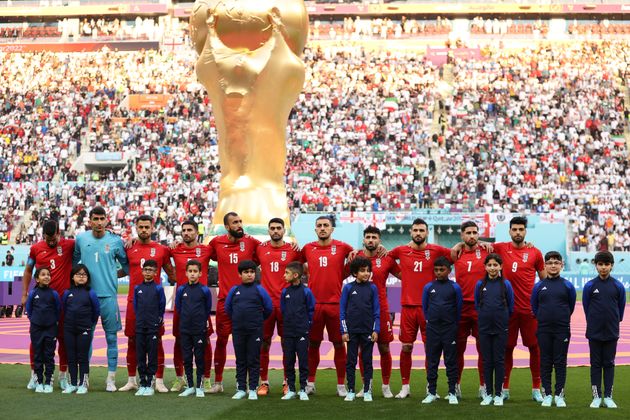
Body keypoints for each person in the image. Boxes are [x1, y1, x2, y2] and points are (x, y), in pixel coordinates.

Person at [388, 218, 453, 399]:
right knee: (406, 347)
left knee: (430, 349)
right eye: (415, 230)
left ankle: (429, 388)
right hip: (408, 307)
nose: (418, 233)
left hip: (430, 308)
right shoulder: (401, 250)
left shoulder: (436, 250)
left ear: (427, 232)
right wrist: (401, 274)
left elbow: (456, 254)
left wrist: (478, 243)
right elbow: (385, 257)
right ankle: (405, 387)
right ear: (411, 232)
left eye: (421, 230)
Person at [73, 206, 129, 391]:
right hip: (87, 297)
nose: (98, 222)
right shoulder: (81, 238)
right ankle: (84, 378)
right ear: (89, 220)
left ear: (107, 220)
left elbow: (127, 267)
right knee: (85, 339)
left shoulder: (115, 241)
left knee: (111, 338)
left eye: (101, 218)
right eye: (95, 219)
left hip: (109, 297)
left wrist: (113, 274)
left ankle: (111, 380)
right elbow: (74, 263)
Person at [492, 216, 546, 401]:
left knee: (534, 347)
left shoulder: (535, 252)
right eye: (514, 229)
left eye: (520, 229)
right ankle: (505, 388)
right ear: (509, 231)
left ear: (525, 231)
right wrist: (459, 246)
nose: (517, 232)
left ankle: (536, 389)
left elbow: (545, 279)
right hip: (507, 310)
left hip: (529, 310)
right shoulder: (500, 248)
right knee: (507, 348)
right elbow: (478, 244)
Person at [120, 215, 175, 393]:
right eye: (140, 227)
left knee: (156, 340)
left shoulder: (162, 249)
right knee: (132, 340)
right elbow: (123, 271)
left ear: (153, 228)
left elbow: (172, 274)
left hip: (153, 305)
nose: (144, 230)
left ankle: (158, 380)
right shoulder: (129, 247)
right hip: (133, 302)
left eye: (147, 227)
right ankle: (131, 380)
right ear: (136, 228)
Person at [208, 212, 261, 394]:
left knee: (249, 343)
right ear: (227, 226)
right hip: (224, 302)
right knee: (221, 341)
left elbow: (269, 253)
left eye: (240, 221)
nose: (239, 225)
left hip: (248, 302)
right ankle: (218, 382)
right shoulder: (216, 242)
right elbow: (202, 254)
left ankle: (250, 383)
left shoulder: (251, 242)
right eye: (235, 223)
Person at [302, 215, 353, 396]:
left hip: (335, 305)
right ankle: (310, 383)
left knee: (339, 344)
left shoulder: (343, 247)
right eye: (319, 226)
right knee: (313, 344)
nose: (322, 228)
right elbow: (295, 264)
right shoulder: (307, 248)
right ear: (315, 229)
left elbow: (356, 259)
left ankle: (341, 385)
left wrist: (341, 274)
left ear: (332, 229)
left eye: (326, 225)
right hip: (313, 305)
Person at [21, 220, 75, 390]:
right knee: (36, 341)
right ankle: (34, 376)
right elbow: (29, 270)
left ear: (59, 233)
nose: (52, 242)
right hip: (42, 304)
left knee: (63, 340)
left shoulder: (69, 244)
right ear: (43, 235)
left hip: (63, 303)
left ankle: (63, 376)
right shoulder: (36, 248)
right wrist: (24, 293)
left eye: (54, 238)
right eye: (48, 238)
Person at [255, 217, 304, 396]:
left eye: (278, 228)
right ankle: (264, 382)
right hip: (266, 305)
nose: (275, 231)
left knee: (287, 344)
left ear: (284, 231)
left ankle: (287, 382)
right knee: (264, 343)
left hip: (287, 304)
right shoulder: (260, 248)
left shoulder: (293, 249)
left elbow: (304, 266)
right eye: (272, 228)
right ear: (268, 231)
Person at [352, 226, 400, 398]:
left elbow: (404, 276)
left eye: (374, 237)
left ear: (379, 240)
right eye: (368, 237)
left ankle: (386, 386)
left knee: (384, 347)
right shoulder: (356, 257)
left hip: (382, 310)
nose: (371, 240)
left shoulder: (386, 258)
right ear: (363, 239)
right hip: (360, 312)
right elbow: (339, 274)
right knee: (362, 350)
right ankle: (366, 386)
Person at [170, 219, 214, 392]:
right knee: (179, 340)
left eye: (190, 230)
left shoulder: (206, 250)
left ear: (197, 232)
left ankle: (207, 378)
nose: (186, 233)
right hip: (182, 302)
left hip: (200, 306)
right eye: (184, 230)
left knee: (206, 341)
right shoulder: (174, 249)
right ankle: (180, 378)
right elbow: (161, 260)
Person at [531, 251, 576, 407]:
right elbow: (535, 308)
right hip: (543, 329)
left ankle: (559, 395)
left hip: (562, 330)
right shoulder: (539, 287)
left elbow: (570, 307)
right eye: (549, 263)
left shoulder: (567, 286)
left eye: (556, 263)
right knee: (545, 362)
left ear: (561, 265)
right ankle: (548, 394)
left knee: (560, 362)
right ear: (544, 266)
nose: (553, 265)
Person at [583, 251, 626, 409]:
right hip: (594, 332)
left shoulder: (618, 286)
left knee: (609, 364)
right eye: (600, 264)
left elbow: (620, 311)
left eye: (606, 265)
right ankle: (596, 397)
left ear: (611, 266)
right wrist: (595, 322)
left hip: (611, 332)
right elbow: (587, 309)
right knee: (595, 364)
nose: (603, 268)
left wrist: (613, 322)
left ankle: (608, 396)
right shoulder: (589, 286)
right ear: (596, 266)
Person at [225, 260, 273, 400]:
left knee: (253, 359)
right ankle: (241, 388)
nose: (249, 275)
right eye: (246, 272)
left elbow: (268, 308)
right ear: (240, 274)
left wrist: (257, 320)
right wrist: (238, 320)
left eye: (252, 272)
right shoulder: (234, 290)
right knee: (240, 360)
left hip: (255, 331)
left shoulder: (259, 289)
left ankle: (252, 388)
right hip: (238, 330)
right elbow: (228, 309)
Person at [452, 221, 488, 399]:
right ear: (462, 235)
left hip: (481, 308)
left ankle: (483, 386)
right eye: (468, 233)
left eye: (475, 232)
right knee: (458, 350)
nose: (472, 236)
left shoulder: (488, 251)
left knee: (484, 350)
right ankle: (456, 385)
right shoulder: (455, 253)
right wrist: (456, 246)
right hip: (461, 309)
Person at [421, 257, 462, 405]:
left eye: (442, 270)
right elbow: (425, 308)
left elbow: (458, 308)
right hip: (432, 329)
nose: (438, 272)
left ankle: (452, 392)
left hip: (449, 329)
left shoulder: (455, 287)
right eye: (436, 270)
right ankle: (432, 392)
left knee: (451, 361)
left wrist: (451, 324)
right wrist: (430, 321)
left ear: (449, 271)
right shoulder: (428, 287)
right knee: (432, 361)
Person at [475, 254, 514, 407]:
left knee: (499, 360)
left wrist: (501, 319)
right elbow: (477, 305)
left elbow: (510, 307)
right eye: (489, 265)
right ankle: (488, 394)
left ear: (500, 266)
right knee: (486, 361)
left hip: (500, 328)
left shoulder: (506, 284)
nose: (492, 268)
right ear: (485, 267)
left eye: (495, 265)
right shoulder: (480, 284)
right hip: (484, 328)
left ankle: (499, 394)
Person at [339, 257, 380, 402]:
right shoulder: (348, 288)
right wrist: (344, 331)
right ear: (355, 273)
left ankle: (367, 390)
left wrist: (376, 330)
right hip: (352, 332)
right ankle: (350, 390)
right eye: (362, 271)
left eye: (368, 271)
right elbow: (342, 310)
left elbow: (376, 311)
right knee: (351, 361)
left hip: (368, 331)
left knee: (367, 360)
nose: (366, 273)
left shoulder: (373, 288)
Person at [175, 260, 213, 398]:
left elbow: (207, 308)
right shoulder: (181, 290)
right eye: (190, 271)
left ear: (200, 273)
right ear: (186, 273)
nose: (192, 274)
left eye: (195, 271)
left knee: (199, 358)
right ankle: (190, 386)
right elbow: (179, 308)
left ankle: (200, 387)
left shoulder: (204, 290)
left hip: (199, 330)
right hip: (185, 329)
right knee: (186, 358)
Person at [61, 265, 100, 394]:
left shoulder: (91, 293)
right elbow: (64, 309)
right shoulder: (67, 293)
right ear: (73, 277)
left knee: (82, 357)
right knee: (71, 357)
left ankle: (83, 384)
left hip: (84, 328)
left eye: (84, 274)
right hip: (69, 329)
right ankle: (72, 384)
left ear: (87, 277)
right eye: (78, 274)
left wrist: (88, 324)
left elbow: (96, 311)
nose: (81, 276)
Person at [280, 261, 315, 401]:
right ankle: (291, 389)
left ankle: (302, 389)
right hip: (288, 332)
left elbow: (311, 310)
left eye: (287, 273)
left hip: (302, 332)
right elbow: (283, 310)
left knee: (303, 361)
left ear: (295, 275)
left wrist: (306, 326)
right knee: (288, 361)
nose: (284, 275)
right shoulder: (285, 292)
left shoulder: (306, 291)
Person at [133, 259, 167, 397]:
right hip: (140, 326)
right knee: (140, 355)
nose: (147, 272)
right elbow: (136, 306)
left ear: (155, 273)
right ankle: (142, 383)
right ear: (142, 271)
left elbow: (162, 306)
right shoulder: (137, 288)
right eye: (145, 269)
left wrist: (156, 320)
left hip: (153, 326)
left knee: (152, 355)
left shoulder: (158, 288)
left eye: (150, 270)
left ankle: (150, 383)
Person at [25, 267, 61, 393]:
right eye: (43, 275)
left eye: (48, 275)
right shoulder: (33, 294)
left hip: (51, 329)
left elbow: (58, 310)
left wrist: (51, 322)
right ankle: (39, 382)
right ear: (37, 279)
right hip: (36, 328)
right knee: (37, 355)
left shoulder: (54, 294)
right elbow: (29, 310)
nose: (46, 277)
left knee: (49, 355)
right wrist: (35, 321)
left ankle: (48, 382)